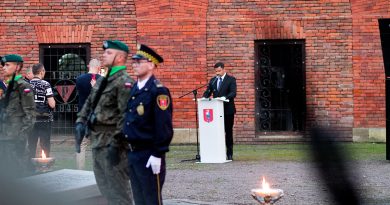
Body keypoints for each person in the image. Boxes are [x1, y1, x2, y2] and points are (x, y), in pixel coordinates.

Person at [75, 40, 134, 205]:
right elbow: (88, 105)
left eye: (109, 52)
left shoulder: (125, 82)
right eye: (105, 52)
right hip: (98, 142)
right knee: (104, 189)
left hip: (114, 145)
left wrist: (117, 143)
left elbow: (127, 117)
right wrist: (80, 123)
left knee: (119, 192)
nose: (104, 55)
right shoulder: (102, 80)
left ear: (121, 57)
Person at [121, 44, 173, 205]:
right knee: (138, 199)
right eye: (133, 62)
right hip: (133, 154)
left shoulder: (158, 91)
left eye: (139, 61)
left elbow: (163, 127)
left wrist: (158, 154)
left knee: (151, 200)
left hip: (149, 154)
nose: (135, 65)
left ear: (151, 64)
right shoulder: (134, 89)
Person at [0, 54, 36, 178]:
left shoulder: (23, 86)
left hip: (15, 139)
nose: (3, 68)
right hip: (3, 137)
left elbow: (30, 114)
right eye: (3, 65)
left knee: (17, 175)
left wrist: (22, 137)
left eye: (7, 65)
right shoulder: (6, 87)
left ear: (17, 67)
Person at [203, 62, 237, 160]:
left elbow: (233, 93)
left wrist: (224, 97)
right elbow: (208, 91)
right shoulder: (213, 80)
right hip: (216, 111)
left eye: (219, 71)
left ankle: (229, 153)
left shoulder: (231, 79)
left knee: (228, 132)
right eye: (216, 71)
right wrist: (204, 97)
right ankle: (217, 151)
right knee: (216, 131)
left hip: (228, 111)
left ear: (223, 69)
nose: (217, 73)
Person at [75, 58, 102, 169]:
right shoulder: (103, 80)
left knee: (81, 145)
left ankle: (80, 171)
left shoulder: (79, 79)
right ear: (99, 68)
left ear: (88, 66)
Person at [28, 63, 56, 158]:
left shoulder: (26, 85)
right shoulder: (46, 84)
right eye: (44, 71)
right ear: (41, 72)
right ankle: (45, 166)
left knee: (31, 144)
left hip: (30, 120)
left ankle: (30, 167)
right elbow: (52, 104)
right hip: (44, 119)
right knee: (45, 144)